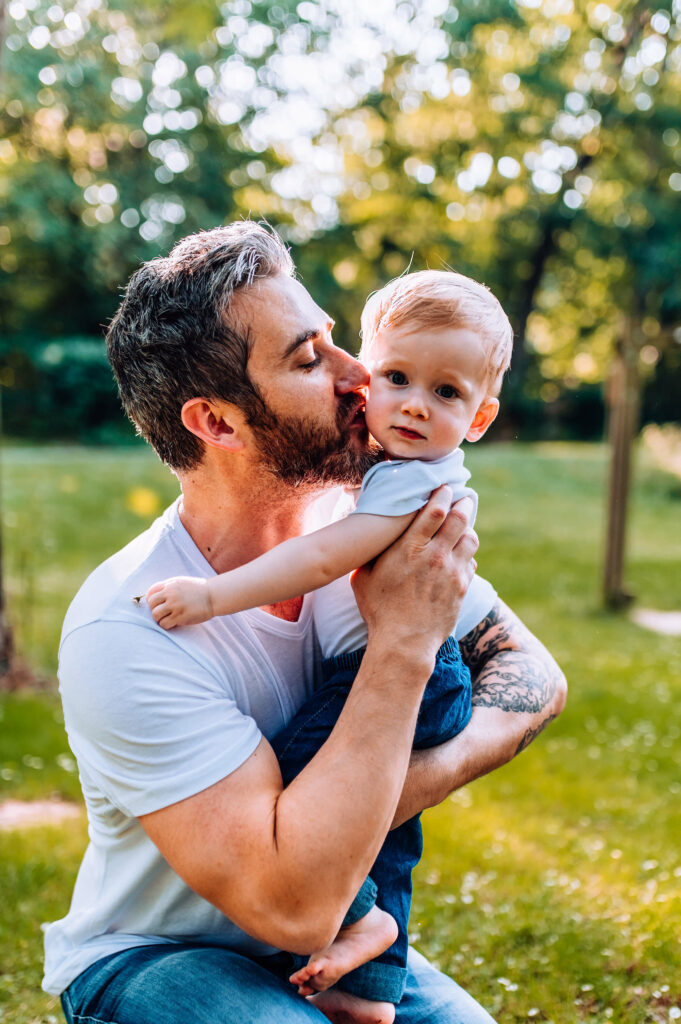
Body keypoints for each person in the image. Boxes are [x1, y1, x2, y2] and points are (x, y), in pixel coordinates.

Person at [44, 222, 566, 1024]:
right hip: (154, 956)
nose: (360, 376)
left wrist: (346, 815)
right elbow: (294, 901)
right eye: (308, 358)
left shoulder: (368, 521)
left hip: (322, 939)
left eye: (333, 338)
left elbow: (533, 680)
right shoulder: (128, 630)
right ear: (217, 424)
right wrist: (400, 645)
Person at [144, 269, 510, 1024]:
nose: (412, 404)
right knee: (387, 833)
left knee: (291, 783)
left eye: (445, 394)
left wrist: (213, 596)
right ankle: (371, 990)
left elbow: (323, 558)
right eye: (396, 376)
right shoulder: (397, 470)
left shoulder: (411, 486)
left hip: (398, 674)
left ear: (479, 418)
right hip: (418, 674)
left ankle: (360, 918)